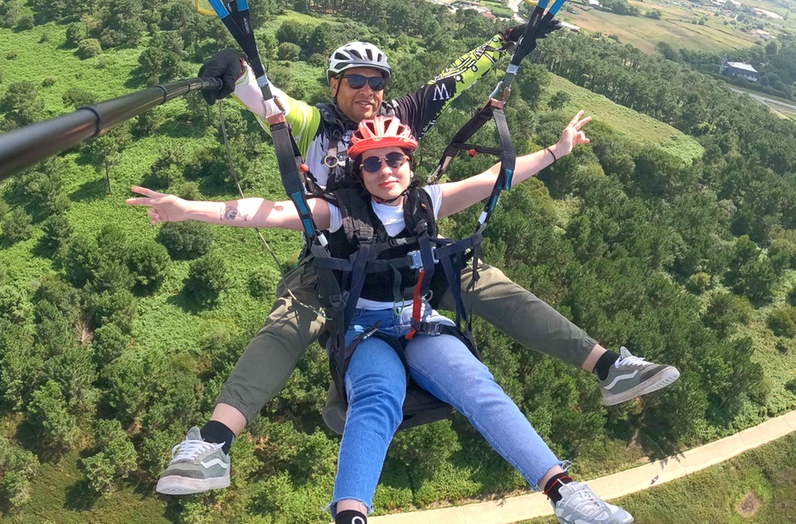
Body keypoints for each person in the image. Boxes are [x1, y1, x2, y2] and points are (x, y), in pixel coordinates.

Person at [150, 32, 679, 495]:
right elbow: (265, 99)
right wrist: (234, 70)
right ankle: (213, 445)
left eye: (376, 81)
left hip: (412, 251)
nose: (368, 91)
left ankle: (609, 367)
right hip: (337, 258)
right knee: (288, 323)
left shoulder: (399, 121)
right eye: (354, 80)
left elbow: (455, 79)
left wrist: (506, 43)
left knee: (489, 284)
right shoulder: (313, 124)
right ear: (334, 86)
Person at [128, 114, 634, 524]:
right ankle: (350, 517)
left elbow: (496, 178)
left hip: (421, 324)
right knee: (376, 399)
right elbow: (267, 211)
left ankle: (566, 494)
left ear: (410, 164)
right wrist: (188, 210)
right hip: (364, 331)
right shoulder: (336, 211)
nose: (386, 169)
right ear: (360, 172)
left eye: (395, 159)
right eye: (372, 163)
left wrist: (558, 149)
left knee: (477, 384)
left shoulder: (428, 201)